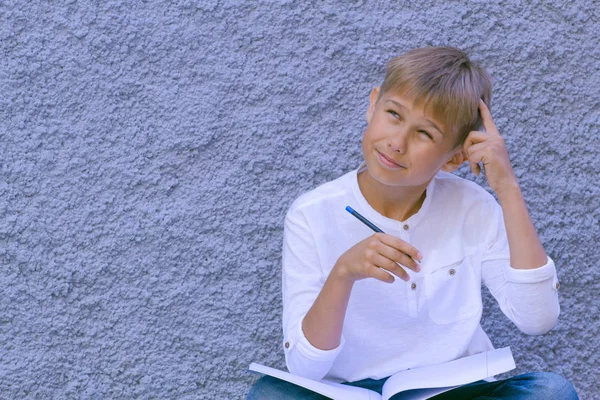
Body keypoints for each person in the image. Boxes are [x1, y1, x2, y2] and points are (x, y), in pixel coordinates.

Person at [247, 46, 578, 399]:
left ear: (454, 157)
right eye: (393, 113)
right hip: (352, 393)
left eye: (425, 134)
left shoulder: (473, 206)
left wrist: (507, 188)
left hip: (454, 390)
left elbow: (537, 319)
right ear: (373, 104)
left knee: (551, 392)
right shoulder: (311, 214)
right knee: (270, 394)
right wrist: (344, 272)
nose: (397, 142)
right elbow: (305, 367)